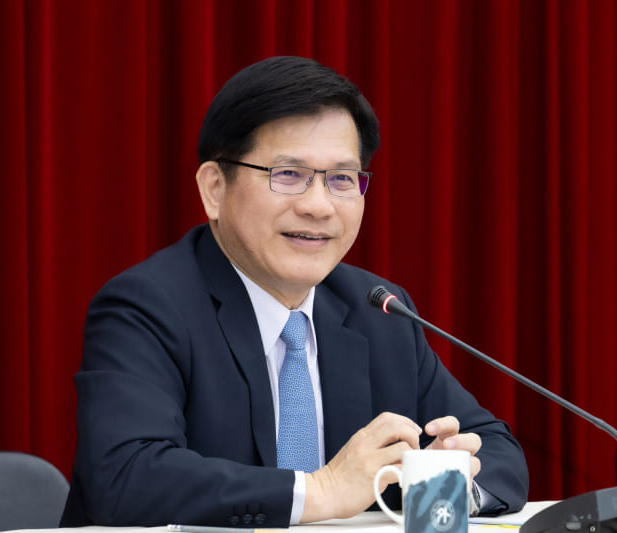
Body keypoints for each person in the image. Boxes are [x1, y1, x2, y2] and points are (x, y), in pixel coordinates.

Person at [61, 56, 528, 528]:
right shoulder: (146, 307)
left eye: (342, 179)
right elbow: (125, 477)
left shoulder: (378, 310)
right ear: (215, 188)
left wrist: (443, 484)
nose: (318, 206)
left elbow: (495, 449)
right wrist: (322, 489)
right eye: (287, 174)